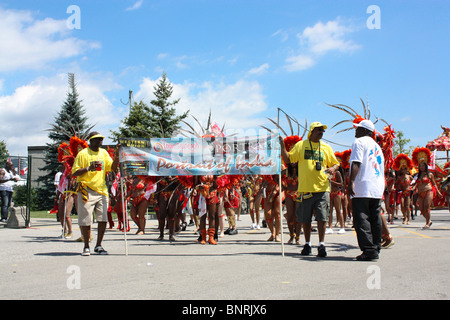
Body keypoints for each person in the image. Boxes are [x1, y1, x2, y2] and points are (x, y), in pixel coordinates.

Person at [280, 121, 340, 257]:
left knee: (322, 218)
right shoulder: (301, 145)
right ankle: (307, 244)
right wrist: (283, 147)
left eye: (322, 131)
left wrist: (333, 168)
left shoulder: (326, 147)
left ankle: (321, 245)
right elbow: (288, 159)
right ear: (311, 131)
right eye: (318, 130)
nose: (321, 132)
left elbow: (336, 163)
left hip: (322, 189)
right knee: (305, 219)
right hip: (305, 189)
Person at [72, 132, 119, 256]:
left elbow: (112, 168)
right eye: (97, 140)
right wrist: (88, 168)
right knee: (86, 219)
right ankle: (86, 246)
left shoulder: (104, 153)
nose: (100, 142)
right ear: (91, 141)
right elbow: (75, 172)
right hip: (86, 190)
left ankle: (99, 245)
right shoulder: (83, 154)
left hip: (101, 191)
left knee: (103, 219)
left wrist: (118, 156)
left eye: (101, 140)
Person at [348, 120, 385, 261]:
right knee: (375, 218)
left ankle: (369, 250)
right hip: (376, 187)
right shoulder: (377, 146)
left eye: (358, 128)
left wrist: (351, 181)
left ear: (364, 130)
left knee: (361, 218)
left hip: (363, 186)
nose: (355, 131)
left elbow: (357, 163)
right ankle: (376, 247)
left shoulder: (359, 142)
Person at [412, 148, 442, 229]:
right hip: (420, 193)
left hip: (428, 191)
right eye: (420, 166)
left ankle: (427, 222)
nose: (422, 167)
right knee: (421, 209)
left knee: (427, 206)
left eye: (423, 166)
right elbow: (414, 184)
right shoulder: (417, 176)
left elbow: (434, 184)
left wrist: (438, 192)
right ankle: (429, 220)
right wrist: (412, 187)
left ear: (426, 166)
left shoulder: (430, 174)